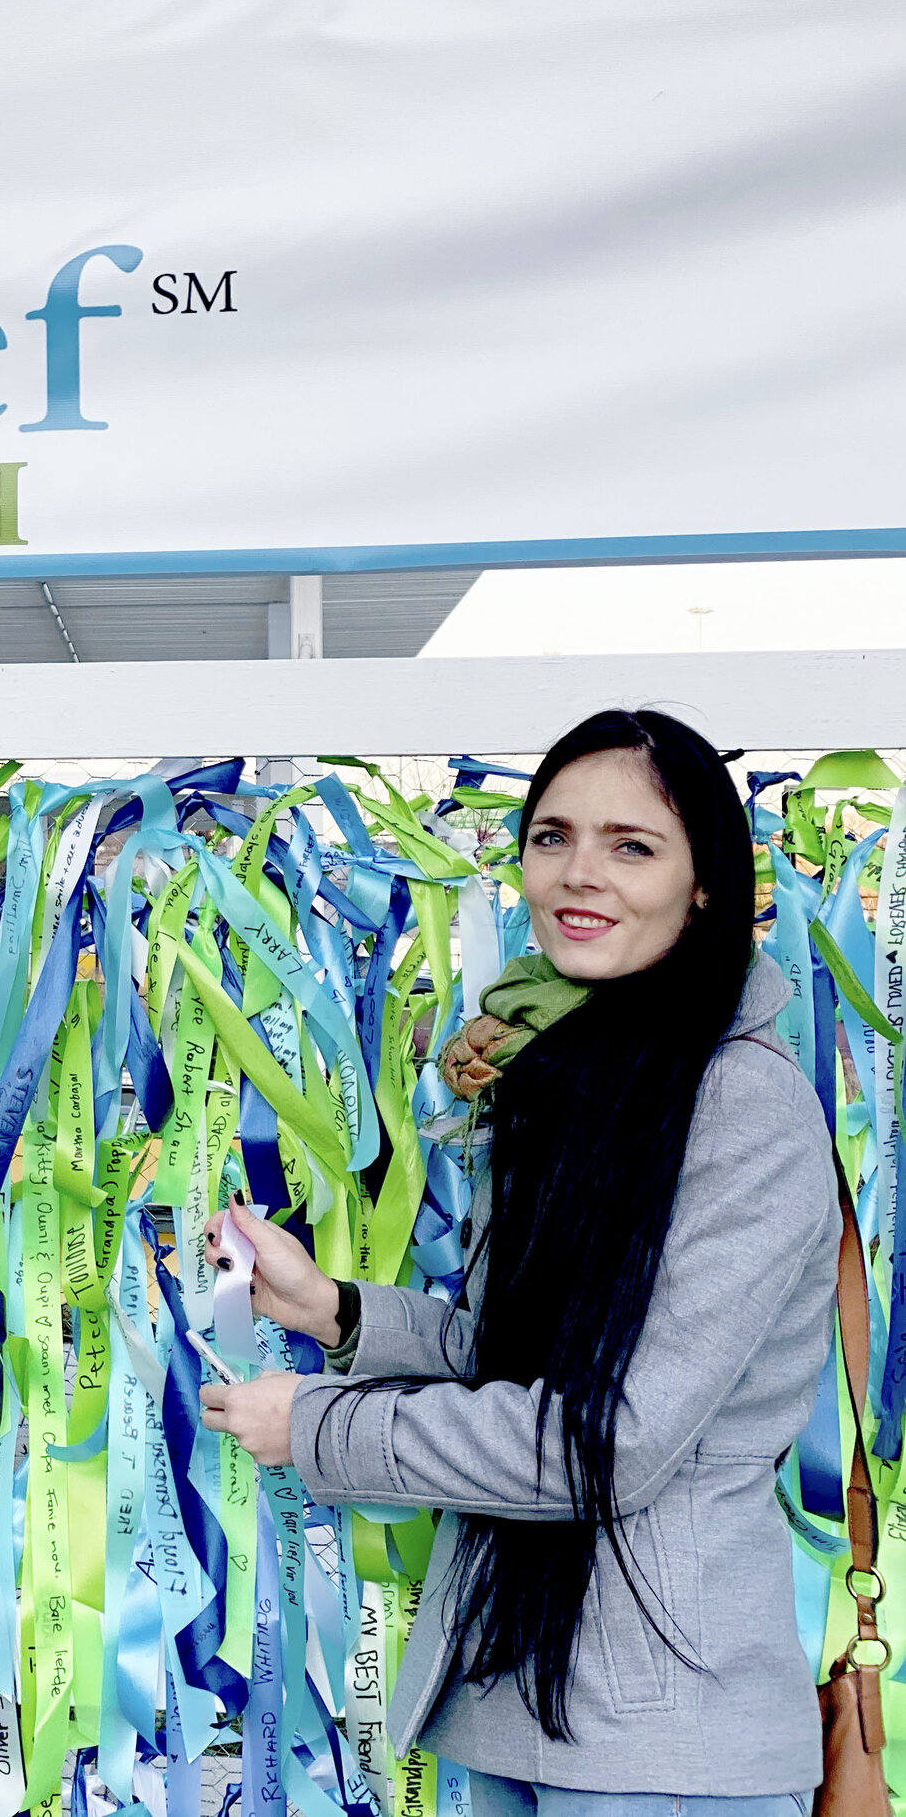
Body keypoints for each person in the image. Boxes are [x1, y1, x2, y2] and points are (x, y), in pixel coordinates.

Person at [199, 709, 839, 1812]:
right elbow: (528, 1365)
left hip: (663, 1747)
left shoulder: (741, 1103)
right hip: (507, 1695)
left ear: (704, 884)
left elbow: (606, 1445)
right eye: (552, 836)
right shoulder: (575, 1070)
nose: (578, 876)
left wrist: (315, 1427)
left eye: (631, 846)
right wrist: (339, 1314)